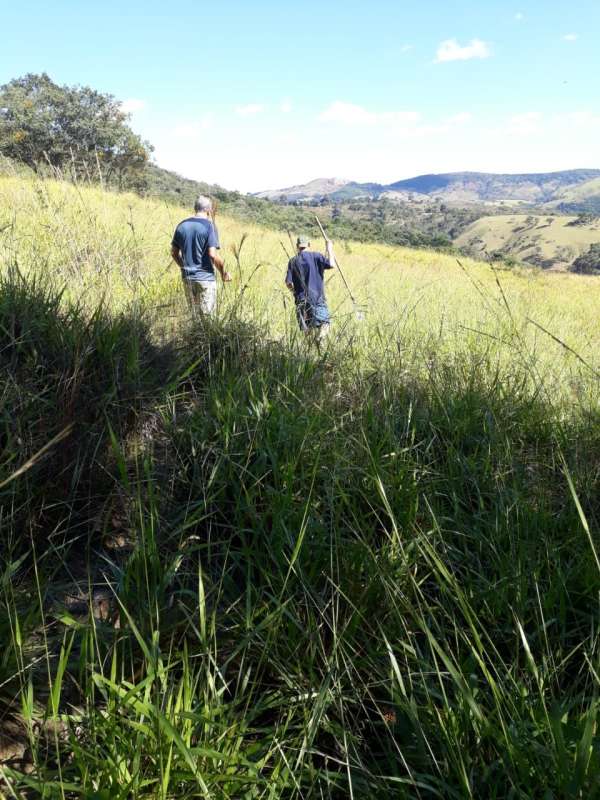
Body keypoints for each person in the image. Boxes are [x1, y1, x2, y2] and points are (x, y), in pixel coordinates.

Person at [171, 195, 231, 315]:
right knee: (208, 319)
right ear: (209, 210)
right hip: (205, 279)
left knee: (194, 316)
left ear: (195, 208)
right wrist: (223, 272)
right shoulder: (209, 226)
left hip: (187, 278)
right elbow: (212, 255)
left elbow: (174, 253)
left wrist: (184, 267)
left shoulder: (181, 225)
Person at [285, 234, 336, 341]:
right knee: (325, 324)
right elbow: (331, 264)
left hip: (301, 300)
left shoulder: (293, 261)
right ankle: (320, 339)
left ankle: (309, 352)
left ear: (297, 246)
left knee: (307, 331)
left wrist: (295, 292)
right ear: (309, 245)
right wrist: (330, 248)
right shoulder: (316, 256)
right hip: (317, 299)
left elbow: (288, 283)